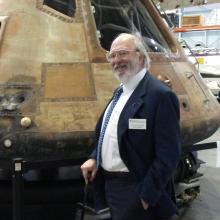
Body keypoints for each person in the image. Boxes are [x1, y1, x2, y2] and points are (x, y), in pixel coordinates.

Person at [80, 33, 181, 220]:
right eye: (113, 55)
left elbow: (169, 154)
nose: (117, 60)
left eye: (123, 54)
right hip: (113, 186)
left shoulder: (159, 96)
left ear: (140, 56)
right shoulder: (121, 91)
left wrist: (146, 195)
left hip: (136, 189)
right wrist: (95, 158)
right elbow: (110, 132)